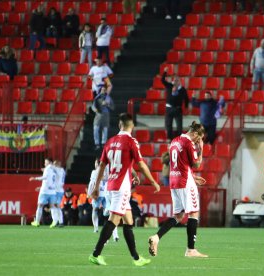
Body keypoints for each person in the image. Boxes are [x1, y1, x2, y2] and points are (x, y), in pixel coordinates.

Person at [88, 113, 160, 267]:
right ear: (131, 126)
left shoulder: (110, 141)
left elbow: (102, 166)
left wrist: (95, 188)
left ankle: (136, 258)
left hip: (111, 185)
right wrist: (153, 181)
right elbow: (140, 164)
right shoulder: (131, 141)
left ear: (119, 125)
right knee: (113, 221)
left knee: (129, 221)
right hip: (121, 188)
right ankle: (95, 254)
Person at [148, 121, 208, 258]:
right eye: (198, 138)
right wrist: (201, 149)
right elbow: (197, 163)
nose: (198, 141)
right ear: (194, 133)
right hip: (185, 182)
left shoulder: (175, 141)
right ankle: (191, 250)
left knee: (178, 216)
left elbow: (180, 163)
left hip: (174, 181)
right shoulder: (188, 143)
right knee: (193, 213)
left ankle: (156, 237)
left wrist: (193, 176)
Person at [29, 158, 59, 228]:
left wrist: (35, 178)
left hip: (45, 191)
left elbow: (45, 177)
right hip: (52, 191)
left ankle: (37, 221)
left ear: (50, 162)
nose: (45, 164)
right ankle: (54, 221)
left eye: (46, 162)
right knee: (52, 206)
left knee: (40, 205)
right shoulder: (55, 170)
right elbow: (51, 180)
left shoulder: (47, 169)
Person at [162, 67, 189, 140]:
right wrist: (165, 72)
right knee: (168, 124)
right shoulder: (169, 86)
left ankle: (179, 139)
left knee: (179, 126)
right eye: (175, 79)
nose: (176, 81)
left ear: (179, 81)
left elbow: (186, 99)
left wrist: (186, 107)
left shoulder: (182, 89)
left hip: (178, 109)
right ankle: (169, 138)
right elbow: (163, 81)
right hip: (169, 108)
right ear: (173, 80)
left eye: (177, 80)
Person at [93, 84, 115, 150]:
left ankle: (103, 143)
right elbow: (93, 106)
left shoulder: (108, 98)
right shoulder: (97, 98)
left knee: (105, 130)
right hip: (98, 115)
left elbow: (113, 107)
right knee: (96, 129)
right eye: (102, 89)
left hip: (106, 114)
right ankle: (97, 144)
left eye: (104, 90)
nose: (103, 91)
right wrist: (95, 109)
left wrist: (107, 104)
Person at [53, 160, 65, 227]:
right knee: (55, 206)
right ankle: (57, 221)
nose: (54, 165)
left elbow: (52, 168)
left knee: (57, 206)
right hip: (58, 190)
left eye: (55, 164)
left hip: (58, 191)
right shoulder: (61, 170)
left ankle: (60, 221)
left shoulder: (60, 170)